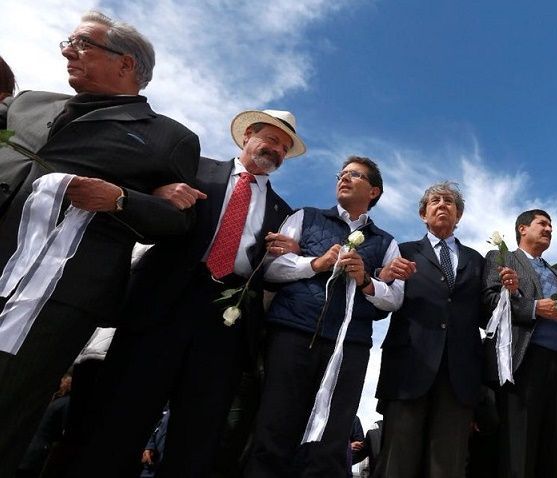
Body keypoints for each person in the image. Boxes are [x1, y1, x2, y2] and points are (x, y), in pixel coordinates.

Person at [0, 11, 199, 471]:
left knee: (8, 403)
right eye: (68, 42)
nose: (68, 51)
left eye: (82, 43)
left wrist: (123, 200)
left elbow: (178, 222)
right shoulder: (28, 103)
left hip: (59, 294)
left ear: (126, 63)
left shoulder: (168, 138)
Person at [67, 109, 301, 476]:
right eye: (272, 140)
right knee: (121, 415)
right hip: (163, 303)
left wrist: (287, 254)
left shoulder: (284, 213)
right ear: (249, 135)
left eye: (284, 148)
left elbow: (270, 274)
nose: (276, 151)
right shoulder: (193, 170)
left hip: (227, 321)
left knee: (197, 434)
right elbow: (143, 206)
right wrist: (158, 193)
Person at [245, 156, 403, 477]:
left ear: (373, 191)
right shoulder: (305, 217)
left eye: (354, 175)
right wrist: (314, 263)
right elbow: (270, 269)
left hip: (350, 347)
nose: (343, 179)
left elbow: (395, 298)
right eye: (341, 174)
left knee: (331, 438)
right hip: (292, 333)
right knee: (274, 426)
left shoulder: (386, 243)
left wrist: (366, 280)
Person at [373, 182, 486, 478]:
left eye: (449, 201)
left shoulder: (477, 260)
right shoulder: (403, 250)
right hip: (409, 367)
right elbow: (381, 297)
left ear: (458, 215)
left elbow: (486, 314)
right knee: (398, 459)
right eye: (435, 201)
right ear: (423, 214)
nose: (442, 205)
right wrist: (381, 275)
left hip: (460, 374)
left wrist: (506, 295)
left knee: (448, 463)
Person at [482, 209, 557, 478]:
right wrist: (533, 308)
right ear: (522, 229)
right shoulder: (502, 258)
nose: (548, 230)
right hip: (522, 362)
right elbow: (489, 302)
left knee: (555, 448)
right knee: (519, 446)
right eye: (542, 224)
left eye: (551, 226)